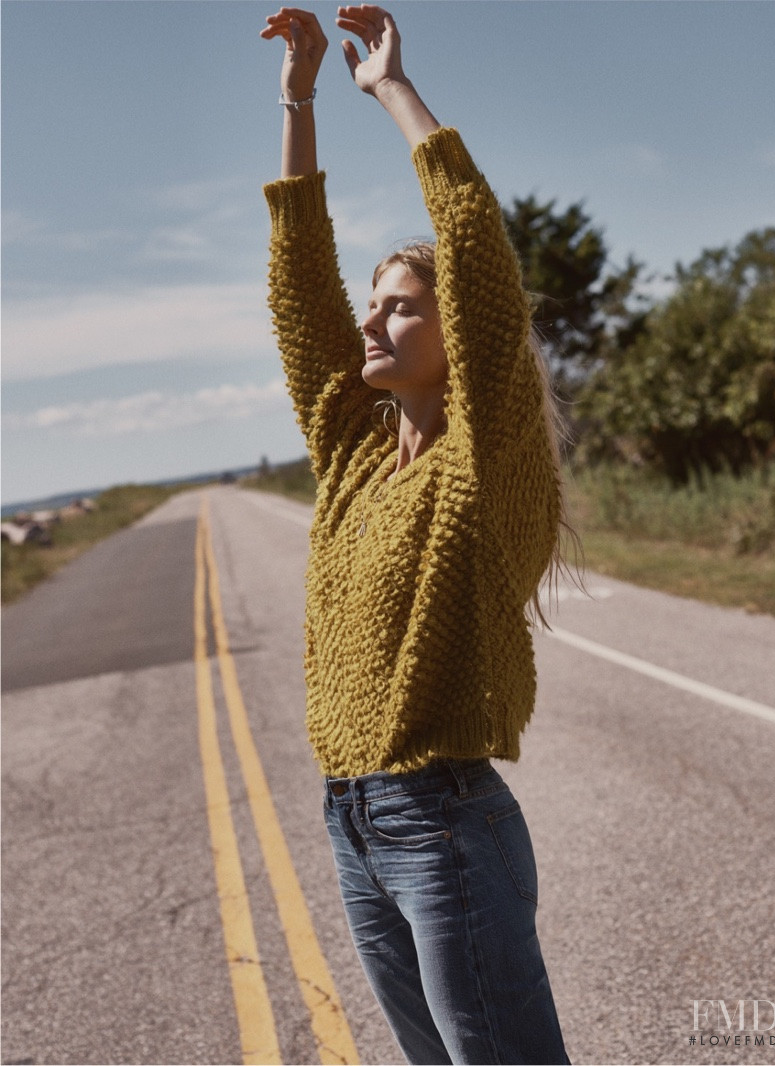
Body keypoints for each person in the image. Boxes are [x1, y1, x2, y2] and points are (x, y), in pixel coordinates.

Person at [260, 6, 571, 1063]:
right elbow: (303, 298)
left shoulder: (483, 461)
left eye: (399, 308)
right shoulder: (351, 453)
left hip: (441, 823)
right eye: (376, 305)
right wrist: (298, 101)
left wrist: (392, 93)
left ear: (454, 339)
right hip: (352, 825)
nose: (370, 324)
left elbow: (479, 264)